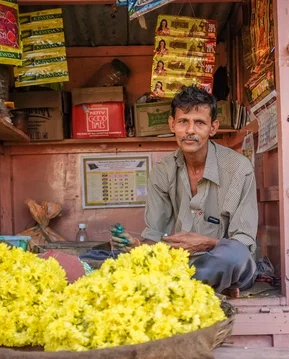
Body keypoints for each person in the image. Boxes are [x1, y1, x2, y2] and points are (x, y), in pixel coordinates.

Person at [111, 86, 258, 294]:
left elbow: (243, 244)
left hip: (227, 267)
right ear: (172, 124)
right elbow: (154, 237)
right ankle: (187, 287)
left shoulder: (238, 168)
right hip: (179, 266)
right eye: (183, 121)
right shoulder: (163, 171)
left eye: (199, 123)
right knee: (111, 259)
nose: (190, 130)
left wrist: (206, 244)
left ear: (213, 128)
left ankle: (176, 287)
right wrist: (135, 246)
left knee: (233, 255)